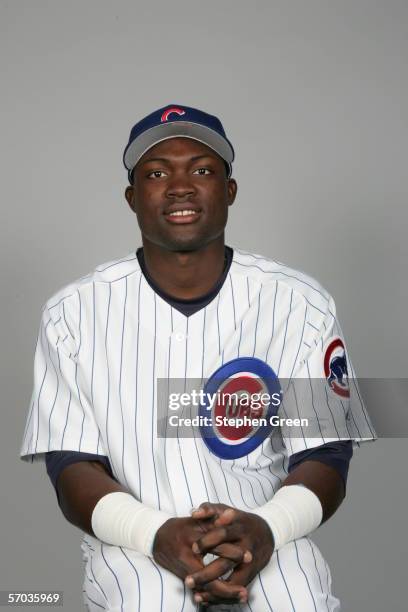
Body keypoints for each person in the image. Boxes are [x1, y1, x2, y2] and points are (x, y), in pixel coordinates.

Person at [21, 104, 376, 611]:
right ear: (132, 197)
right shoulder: (72, 312)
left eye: (203, 170)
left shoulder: (301, 302)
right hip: (137, 541)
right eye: (157, 172)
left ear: (229, 191)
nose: (181, 185)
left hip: (268, 529)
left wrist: (267, 528)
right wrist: (154, 532)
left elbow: (328, 454)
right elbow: (70, 464)